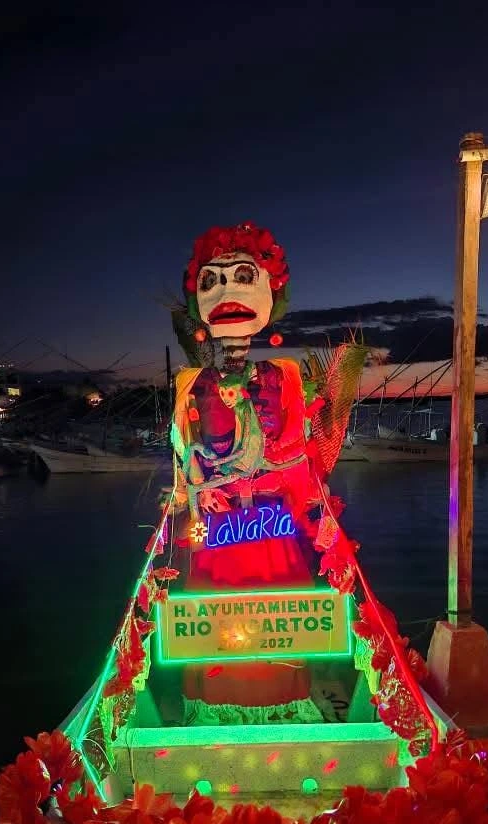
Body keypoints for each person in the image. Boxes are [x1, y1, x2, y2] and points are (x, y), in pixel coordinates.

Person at [170, 222, 325, 725]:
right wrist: (196, 487)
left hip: (269, 523)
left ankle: (279, 705)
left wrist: (311, 510)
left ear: (270, 294)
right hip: (217, 525)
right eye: (212, 281)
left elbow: (297, 452)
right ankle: (218, 710)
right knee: (216, 620)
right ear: (197, 303)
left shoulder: (285, 376)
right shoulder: (191, 382)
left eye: (243, 276)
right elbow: (183, 454)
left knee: (278, 619)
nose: (229, 291)